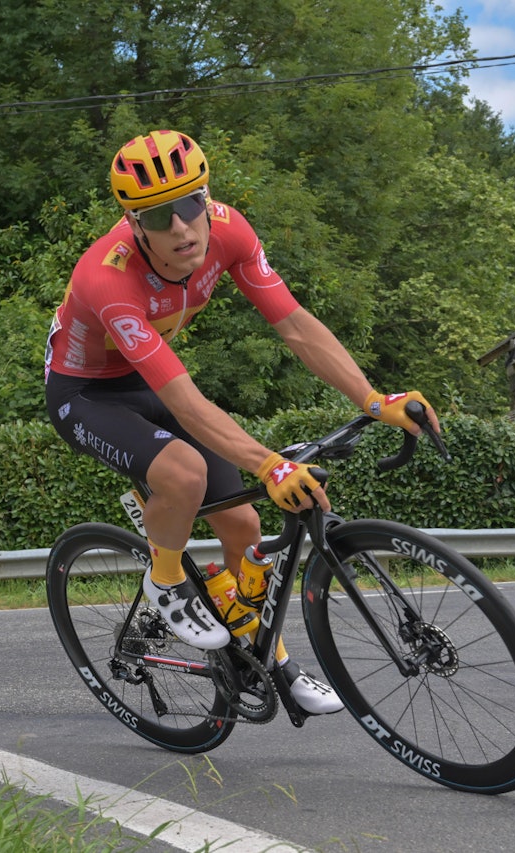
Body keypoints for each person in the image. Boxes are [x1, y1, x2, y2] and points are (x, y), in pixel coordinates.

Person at [44, 130, 440, 716]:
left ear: (206, 198)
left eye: (190, 203)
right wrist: (268, 462)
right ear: (133, 222)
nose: (181, 227)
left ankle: (270, 659)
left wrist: (372, 398)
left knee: (244, 526)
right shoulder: (108, 276)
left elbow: (296, 326)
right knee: (182, 473)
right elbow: (185, 402)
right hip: (87, 394)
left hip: (147, 384)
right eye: (159, 214)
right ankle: (165, 579)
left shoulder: (231, 230)